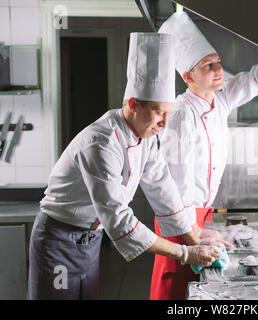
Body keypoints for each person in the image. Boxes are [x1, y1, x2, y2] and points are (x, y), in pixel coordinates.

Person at [27, 32, 220, 300]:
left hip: (90, 240)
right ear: (133, 104)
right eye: (159, 112)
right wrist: (184, 253)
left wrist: (196, 241)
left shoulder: (145, 138)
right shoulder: (102, 143)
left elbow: (164, 193)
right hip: (59, 239)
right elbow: (119, 220)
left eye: (169, 113)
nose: (165, 122)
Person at [150, 11, 258, 300]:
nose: (217, 69)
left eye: (218, 63)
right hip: (179, 222)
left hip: (201, 216)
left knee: (196, 290)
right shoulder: (181, 115)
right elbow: (176, 189)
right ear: (188, 77)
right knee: (175, 288)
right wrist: (195, 239)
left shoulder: (220, 100)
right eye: (207, 65)